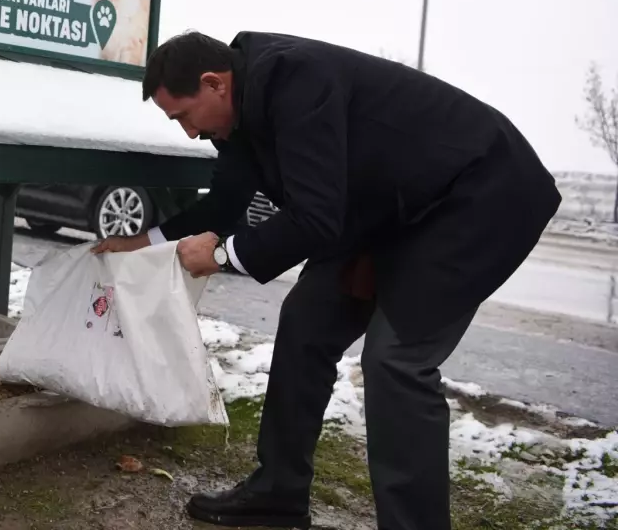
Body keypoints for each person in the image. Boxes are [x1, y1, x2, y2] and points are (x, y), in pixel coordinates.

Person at [93, 30, 560, 530]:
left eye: (183, 116)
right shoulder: (239, 114)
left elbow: (315, 219)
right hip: (392, 210)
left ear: (214, 84)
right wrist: (146, 240)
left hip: (478, 195)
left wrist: (225, 256)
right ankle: (279, 494)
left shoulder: (297, 80)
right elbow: (226, 205)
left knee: (395, 362)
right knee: (305, 321)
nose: (188, 132)